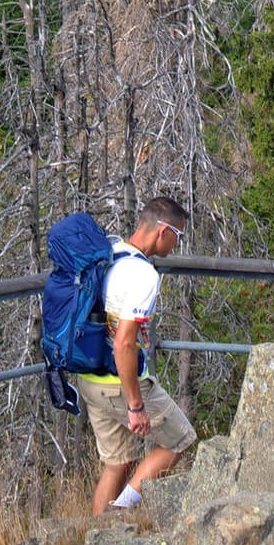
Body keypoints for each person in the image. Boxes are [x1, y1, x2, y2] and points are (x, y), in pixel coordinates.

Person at [75, 196, 198, 514]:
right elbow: (124, 344)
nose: (177, 243)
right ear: (163, 232)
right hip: (120, 382)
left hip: (89, 376)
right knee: (181, 439)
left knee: (118, 462)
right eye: (178, 236)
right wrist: (135, 406)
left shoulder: (110, 254)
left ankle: (95, 539)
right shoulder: (143, 275)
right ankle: (121, 511)